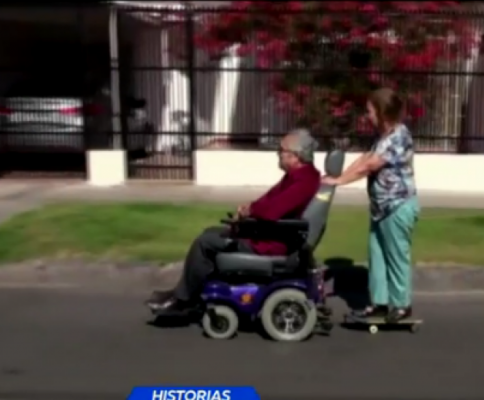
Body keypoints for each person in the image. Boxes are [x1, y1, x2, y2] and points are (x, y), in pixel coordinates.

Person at [147, 129, 322, 312]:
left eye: (281, 150)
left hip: (270, 243)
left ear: (295, 156)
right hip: (267, 234)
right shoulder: (297, 177)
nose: (278, 154)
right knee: (210, 233)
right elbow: (268, 201)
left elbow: (272, 211)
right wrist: (249, 208)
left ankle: (183, 300)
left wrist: (250, 212)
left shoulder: (304, 180)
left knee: (205, 242)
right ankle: (190, 292)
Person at [321, 88, 419, 322]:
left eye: (370, 111)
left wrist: (340, 181)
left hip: (397, 206)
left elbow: (370, 166)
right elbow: (365, 158)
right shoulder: (383, 137)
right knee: (377, 257)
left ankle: (402, 305)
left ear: (383, 112)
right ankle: (380, 303)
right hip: (381, 208)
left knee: (396, 257)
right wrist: (339, 176)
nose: (368, 115)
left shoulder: (399, 136)